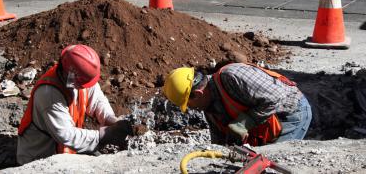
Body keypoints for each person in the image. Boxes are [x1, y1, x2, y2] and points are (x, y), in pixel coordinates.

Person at [17, 44, 132, 165]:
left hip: (66, 150)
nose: (86, 86)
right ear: (71, 75)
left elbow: (98, 100)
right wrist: (104, 135)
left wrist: (111, 119)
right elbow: (66, 134)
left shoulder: (79, 77)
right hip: (39, 158)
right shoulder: (48, 93)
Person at [163, 62, 312, 146]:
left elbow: (276, 98)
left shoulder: (232, 77)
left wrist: (244, 123)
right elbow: (220, 141)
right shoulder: (209, 107)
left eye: (188, 104)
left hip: (291, 112)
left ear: (198, 94)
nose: (190, 109)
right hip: (267, 126)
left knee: (273, 161)